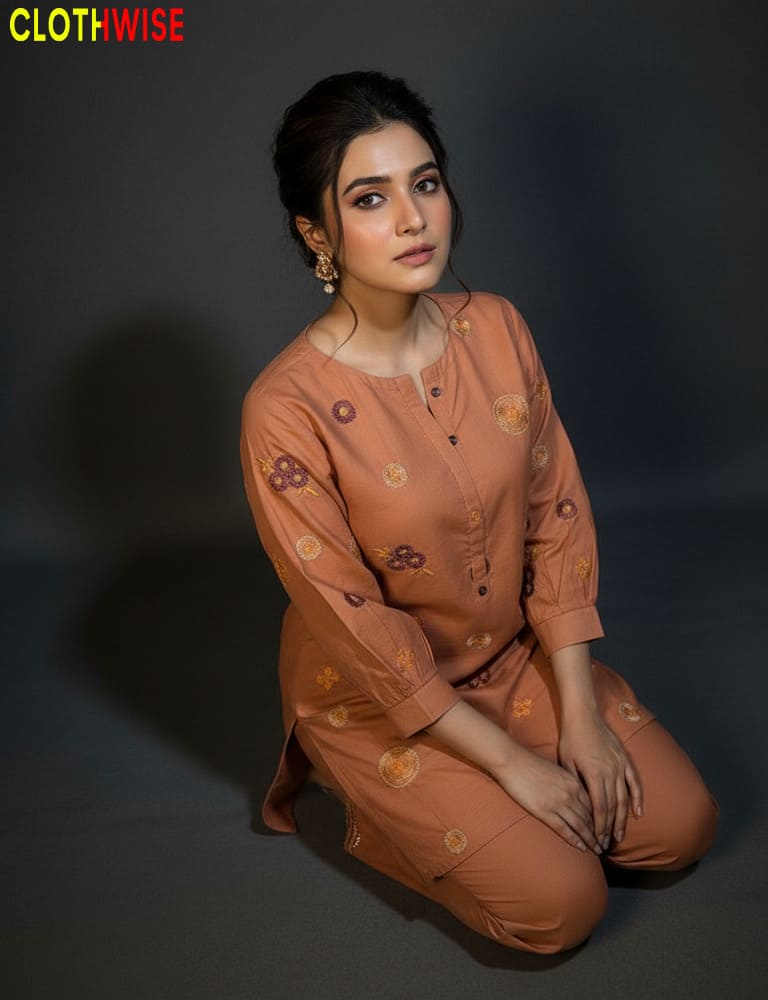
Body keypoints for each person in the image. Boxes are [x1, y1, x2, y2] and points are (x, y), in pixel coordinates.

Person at [239, 70, 718, 954]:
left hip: (515, 656)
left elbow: (557, 515)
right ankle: (374, 802)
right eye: (370, 198)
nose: (414, 218)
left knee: (681, 827)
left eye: (425, 183)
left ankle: (538, 764)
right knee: (562, 906)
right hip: (380, 698)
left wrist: (578, 716)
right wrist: (511, 768)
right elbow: (357, 626)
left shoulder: (496, 328)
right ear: (318, 233)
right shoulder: (285, 408)